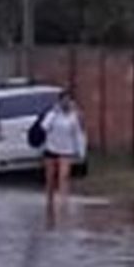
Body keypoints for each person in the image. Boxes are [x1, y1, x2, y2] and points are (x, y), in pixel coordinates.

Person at [42, 90, 85, 221]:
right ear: (59, 101)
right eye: (64, 100)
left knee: (64, 176)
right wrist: (53, 114)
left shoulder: (74, 116)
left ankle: (63, 202)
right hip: (51, 149)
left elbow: (78, 134)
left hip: (67, 150)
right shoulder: (53, 114)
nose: (66, 103)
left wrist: (81, 151)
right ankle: (49, 201)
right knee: (50, 178)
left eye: (68, 100)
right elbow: (44, 126)